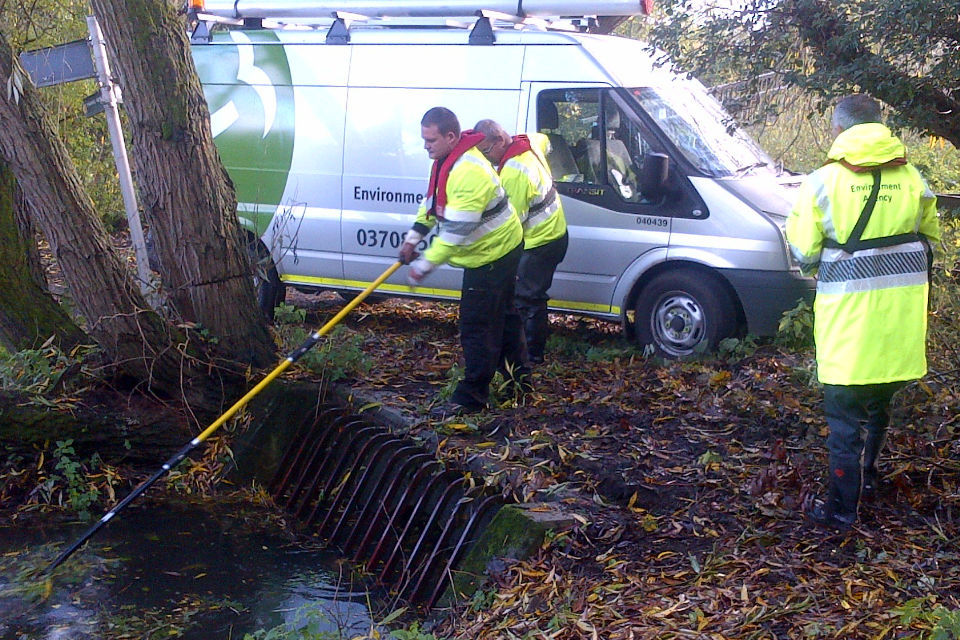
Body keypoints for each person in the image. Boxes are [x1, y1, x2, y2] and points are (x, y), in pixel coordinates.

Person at [786, 94, 940, 529]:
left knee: (843, 420)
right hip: (899, 325)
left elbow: (802, 250)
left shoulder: (821, 182)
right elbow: (932, 238)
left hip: (847, 325)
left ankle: (840, 512)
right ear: (880, 125)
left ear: (839, 130)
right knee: (879, 404)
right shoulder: (913, 178)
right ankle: (868, 477)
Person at [398, 107, 528, 415]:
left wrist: (422, 266)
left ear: (451, 136)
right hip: (498, 249)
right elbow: (432, 203)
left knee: (477, 326)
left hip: (493, 255)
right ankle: (518, 381)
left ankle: (471, 398)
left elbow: (454, 233)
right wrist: (412, 239)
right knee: (505, 318)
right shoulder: (447, 160)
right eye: (424, 140)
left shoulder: (469, 172)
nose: (425, 146)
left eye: (430, 140)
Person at [473, 119, 569, 363]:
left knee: (528, 298)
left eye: (486, 151)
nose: (486, 158)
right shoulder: (528, 141)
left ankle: (533, 355)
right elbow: (545, 141)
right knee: (530, 295)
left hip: (539, 242)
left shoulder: (513, 172)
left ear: (500, 140)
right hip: (556, 233)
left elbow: (511, 224)